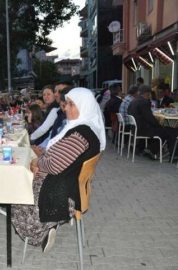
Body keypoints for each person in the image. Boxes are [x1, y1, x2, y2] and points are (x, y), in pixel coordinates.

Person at [12, 87, 105, 252]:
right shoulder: (85, 129)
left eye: (71, 105)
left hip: (63, 192)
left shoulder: (80, 135)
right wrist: (39, 162)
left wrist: (36, 163)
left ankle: (40, 232)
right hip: (70, 186)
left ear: (84, 106)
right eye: (66, 104)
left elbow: (55, 165)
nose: (66, 108)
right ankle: (47, 227)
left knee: (16, 193)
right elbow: (58, 158)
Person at [128, 85, 178, 160]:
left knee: (162, 130)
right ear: (147, 94)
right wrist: (160, 125)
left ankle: (146, 149)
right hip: (142, 129)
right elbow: (150, 119)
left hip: (135, 128)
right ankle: (173, 156)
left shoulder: (133, 101)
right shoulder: (143, 102)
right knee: (171, 131)